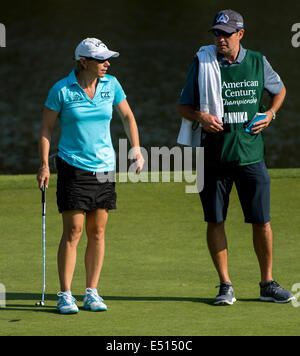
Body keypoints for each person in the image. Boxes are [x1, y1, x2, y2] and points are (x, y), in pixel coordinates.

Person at [178, 10, 294, 305]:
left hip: (251, 156)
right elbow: (184, 106)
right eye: (216, 33)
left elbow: (279, 91)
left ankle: (267, 284)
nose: (220, 39)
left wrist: (271, 113)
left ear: (240, 34)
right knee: (215, 220)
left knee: (262, 221)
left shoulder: (257, 61)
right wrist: (201, 116)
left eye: (226, 33)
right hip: (212, 157)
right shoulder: (203, 62)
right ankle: (225, 285)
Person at [37, 37, 144, 314]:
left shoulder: (112, 85)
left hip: (105, 167)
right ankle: (65, 294)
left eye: (108, 59)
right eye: (101, 60)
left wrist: (135, 149)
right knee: (73, 231)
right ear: (84, 62)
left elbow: (128, 117)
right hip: (72, 166)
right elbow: (46, 130)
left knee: (97, 232)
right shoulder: (61, 90)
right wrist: (44, 165)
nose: (107, 64)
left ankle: (92, 292)